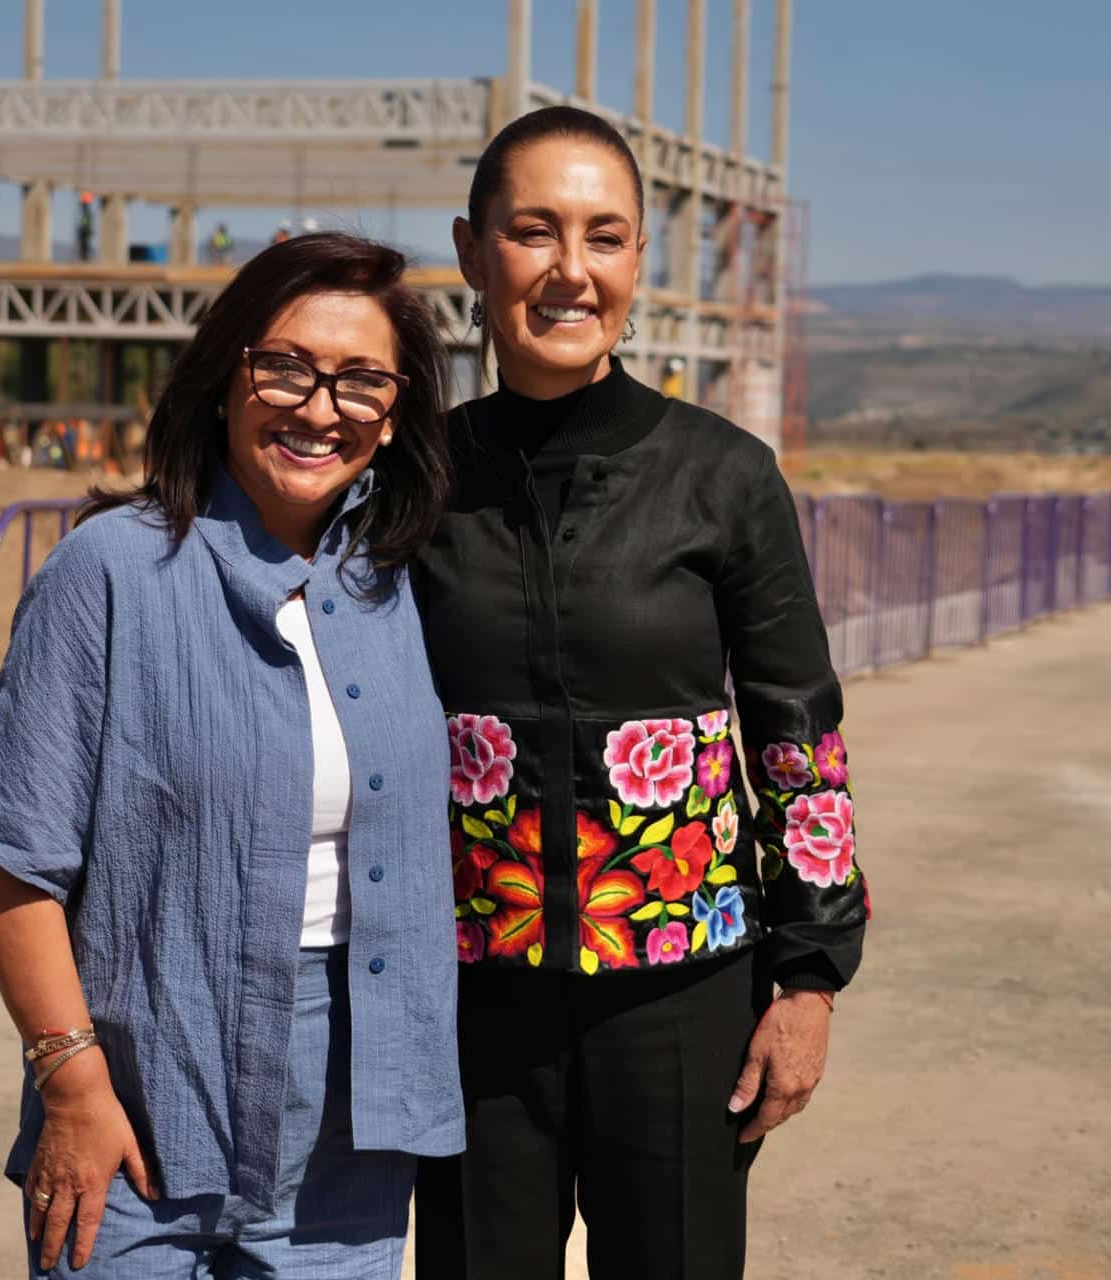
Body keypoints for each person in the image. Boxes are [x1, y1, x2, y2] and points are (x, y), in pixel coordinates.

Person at [0, 232, 462, 1279]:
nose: (320, 408)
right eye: (285, 367)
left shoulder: (407, 584)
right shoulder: (112, 571)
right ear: (224, 375)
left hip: (352, 1118)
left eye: (361, 380)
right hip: (144, 1092)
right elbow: (14, 854)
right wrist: (72, 1082)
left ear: (397, 412)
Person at [410, 106, 871, 1280]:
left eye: (605, 237)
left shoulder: (724, 477)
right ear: (474, 254)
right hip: (476, 1008)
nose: (572, 269)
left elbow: (797, 739)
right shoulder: (416, 481)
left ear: (636, 264)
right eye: (535, 231)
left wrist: (808, 979)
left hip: (682, 1002)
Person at [78, 191, 96, 263]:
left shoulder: (86, 212)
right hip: (84, 230)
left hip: (84, 231)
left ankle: (84, 258)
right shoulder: (86, 212)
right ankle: (84, 258)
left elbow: (85, 222)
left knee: (84, 246)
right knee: (84, 246)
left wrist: (86, 228)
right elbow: (84, 221)